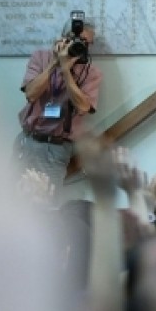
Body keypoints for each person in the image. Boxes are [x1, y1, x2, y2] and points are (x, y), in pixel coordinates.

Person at [15, 18, 102, 193]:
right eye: (75, 40)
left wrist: (66, 71)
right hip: (27, 141)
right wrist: (55, 63)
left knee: (47, 204)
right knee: (12, 200)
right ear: (62, 38)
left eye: (86, 43)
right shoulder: (40, 57)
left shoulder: (91, 72)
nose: (80, 45)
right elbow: (31, 94)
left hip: (55, 148)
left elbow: (83, 108)